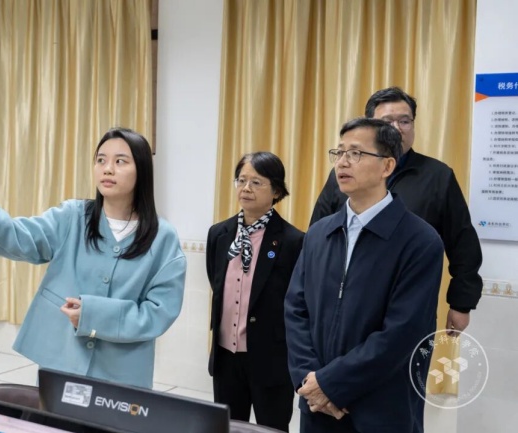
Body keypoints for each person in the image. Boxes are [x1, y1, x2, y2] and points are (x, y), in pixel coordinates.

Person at [0, 127, 186, 389]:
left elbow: (158, 313)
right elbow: (17, 237)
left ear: (142, 170)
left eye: (120, 161)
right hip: (63, 362)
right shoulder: (73, 217)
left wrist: (92, 315)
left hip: (122, 373)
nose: (107, 169)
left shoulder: (163, 238)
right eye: (101, 160)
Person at [285, 118, 444, 433]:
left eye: (356, 153)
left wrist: (331, 383)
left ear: (387, 166)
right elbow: (295, 309)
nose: (342, 162)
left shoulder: (420, 241)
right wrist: (309, 380)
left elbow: (403, 332)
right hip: (317, 407)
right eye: (339, 152)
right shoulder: (319, 233)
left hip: (381, 409)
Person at [310, 87, 483, 332]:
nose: (397, 129)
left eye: (405, 121)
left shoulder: (437, 176)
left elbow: (463, 243)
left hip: (408, 307)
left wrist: (461, 303)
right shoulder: (344, 174)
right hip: (345, 307)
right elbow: (319, 235)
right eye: (387, 121)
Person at [206, 152, 305, 432]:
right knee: (227, 427)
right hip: (226, 356)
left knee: (271, 428)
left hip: (271, 358)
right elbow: (216, 283)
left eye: (256, 182)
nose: (246, 188)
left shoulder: (294, 241)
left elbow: (298, 302)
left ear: (276, 191)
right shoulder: (219, 234)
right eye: (241, 180)